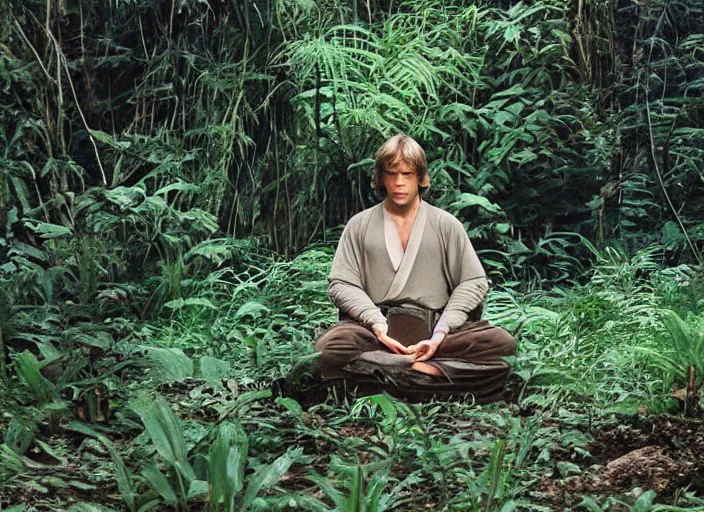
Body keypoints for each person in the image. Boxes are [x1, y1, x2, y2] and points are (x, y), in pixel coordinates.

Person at [313, 134, 517, 403]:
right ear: (380, 178)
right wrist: (377, 325)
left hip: (438, 336)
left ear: (421, 177)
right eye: (391, 173)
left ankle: (401, 372)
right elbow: (341, 283)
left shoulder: (445, 224)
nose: (399, 182)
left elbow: (473, 281)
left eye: (407, 174)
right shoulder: (359, 225)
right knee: (330, 349)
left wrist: (440, 333)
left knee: (501, 345)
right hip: (377, 334)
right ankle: (428, 377)